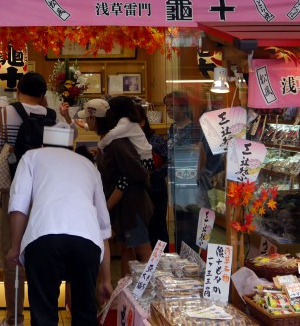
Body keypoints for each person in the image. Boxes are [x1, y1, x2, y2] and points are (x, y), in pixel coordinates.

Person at [6, 121, 113, 326]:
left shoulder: (32, 157)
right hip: (87, 241)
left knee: (44, 314)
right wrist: (106, 280)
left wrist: (15, 246)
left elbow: (19, 205)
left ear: (44, 143)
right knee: (85, 313)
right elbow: (103, 228)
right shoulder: (87, 165)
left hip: (43, 237)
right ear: (70, 146)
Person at [0, 72, 56, 326]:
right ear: (43, 94)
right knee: (39, 253)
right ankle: (43, 316)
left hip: (14, 192)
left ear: (18, 91)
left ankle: (13, 318)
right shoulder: (52, 115)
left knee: (11, 254)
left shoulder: (5, 113)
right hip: (44, 194)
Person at [94, 95, 154, 276]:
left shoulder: (121, 133)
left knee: (141, 248)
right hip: (127, 204)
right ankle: (127, 293)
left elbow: (135, 173)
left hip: (132, 203)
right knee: (127, 247)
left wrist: (101, 145)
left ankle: (147, 289)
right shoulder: (125, 130)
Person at [164, 91, 222, 252]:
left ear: (183, 107)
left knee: (193, 231)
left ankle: (195, 266)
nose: (168, 109)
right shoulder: (172, 129)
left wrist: (202, 177)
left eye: (172, 106)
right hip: (178, 189)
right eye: (167, 106)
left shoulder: (197, 129)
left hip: (194, 191)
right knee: (180, 231)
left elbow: (214, 158)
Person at [134, 103, 169, 247]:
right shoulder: (128, 141)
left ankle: (162, 261)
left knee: (158, 229)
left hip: (156, 191)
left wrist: (152, 175)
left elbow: (170, 164)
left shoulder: (155, 140)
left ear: (142, 122)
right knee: (141, 233)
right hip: (137, 193)